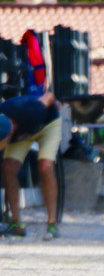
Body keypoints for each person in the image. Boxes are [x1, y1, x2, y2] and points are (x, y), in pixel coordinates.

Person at [0, 92, 61, 239]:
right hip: (24, 134)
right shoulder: (3, 126)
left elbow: (50, 96)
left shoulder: (31, 110)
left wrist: (56, 103)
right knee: (8, 167)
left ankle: (52, 222)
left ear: (10, 133)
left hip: (48, 124)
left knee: (45, 166)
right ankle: (16, 224)